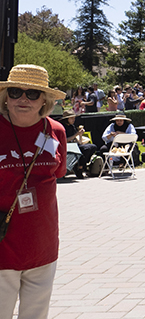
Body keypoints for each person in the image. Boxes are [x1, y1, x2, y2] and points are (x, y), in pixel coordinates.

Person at [0, 64, 68, 319]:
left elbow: (57, 173)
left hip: (42, 245)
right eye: (16, 92)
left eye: (32, 94)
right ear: (6, 96)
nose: (23, 99)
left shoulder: (56, 131)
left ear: (45, 100)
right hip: (2, 245)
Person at [59, 109, 98, 179]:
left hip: (75, 145)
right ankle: (80, 168)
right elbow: (64, 140)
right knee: (85, 149)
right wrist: (76, 134)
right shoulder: (62, 127)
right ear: (66, 119)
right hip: (66, 146)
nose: (74, 120)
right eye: (72, 118)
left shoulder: (72, 126)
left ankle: (82, 165)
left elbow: (78, 141)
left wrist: (80, 135)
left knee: (92, 147)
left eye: (74, 118)